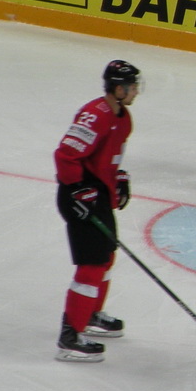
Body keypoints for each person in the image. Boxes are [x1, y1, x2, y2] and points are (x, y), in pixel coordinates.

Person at [53, 60, 142, 362]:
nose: (136, 92)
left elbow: (107, 160)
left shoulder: (123, 118)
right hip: (77, 196)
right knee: (91, 266)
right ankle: (70, 337)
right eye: (132, 87)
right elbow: (65, 156)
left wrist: (118, 179)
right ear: (118, 89)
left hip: (97, 195)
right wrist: (78, 189)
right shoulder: (95, 115)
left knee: (106, 257)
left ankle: (89, 314)